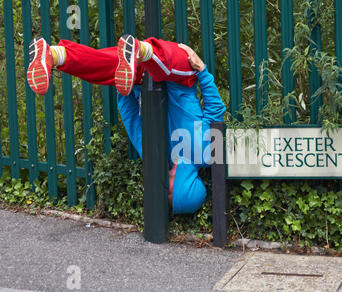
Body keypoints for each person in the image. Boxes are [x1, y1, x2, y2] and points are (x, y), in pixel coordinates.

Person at [26, 35, 226, 214]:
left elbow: (132, 121)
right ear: (184, 188)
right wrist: (202, 70)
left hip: (142, 81)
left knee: (106, 67)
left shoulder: (154, 156)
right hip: (180, 78)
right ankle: (141, 50)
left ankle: (54, 55)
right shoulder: (204, 154)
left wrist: (123, 88)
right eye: (170, 193)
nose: (164, 189)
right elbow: (215, 110)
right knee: (170, 58)